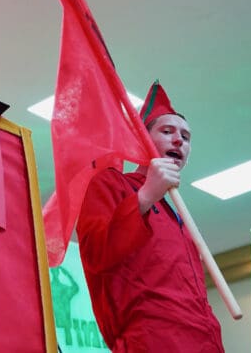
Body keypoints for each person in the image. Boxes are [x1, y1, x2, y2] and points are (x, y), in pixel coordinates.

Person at [76, 80, 224, 352]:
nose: (179, 140)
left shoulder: (179, 217)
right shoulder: (111, 184)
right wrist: (144, 197)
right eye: (167, 131)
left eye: (186, 137)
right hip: (152, 341)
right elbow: (95, 253)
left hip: (206, 341)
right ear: (141, 141)